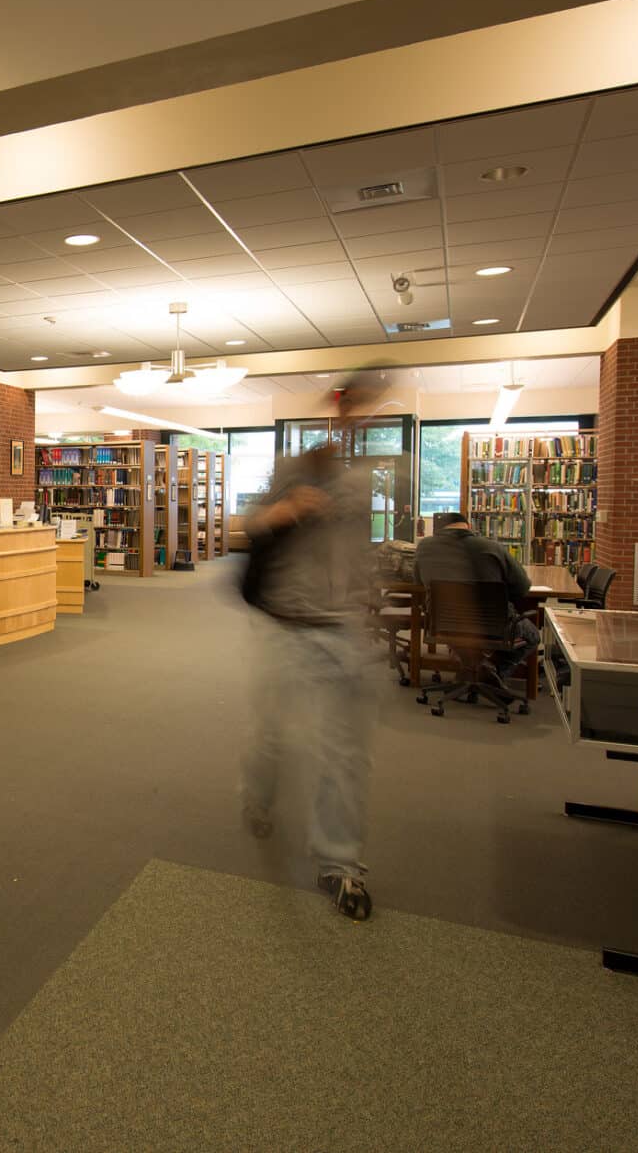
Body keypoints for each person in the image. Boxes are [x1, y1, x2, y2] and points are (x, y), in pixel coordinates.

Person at [239, 379, 386, 922]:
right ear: (335, 412)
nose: (358, 422)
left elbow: (358, 551)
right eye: (353, 409)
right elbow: (247, 526)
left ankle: (339, 863)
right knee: (271, 734)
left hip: (343, 629)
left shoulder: (362, 480)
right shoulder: (290, 469)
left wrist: (366, 608)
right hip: (286, 624)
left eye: (369, 413)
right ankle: (258, 792)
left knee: (346, 752)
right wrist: (286, 511)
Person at [413, 511, 540, 679]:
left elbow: (418, 582)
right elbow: (523, 588)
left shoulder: (424, 547)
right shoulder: (492, 547)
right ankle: (495, 669)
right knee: (533, 636)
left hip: (443, 623)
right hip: (492, 625)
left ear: (440, 529)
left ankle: (473, 667)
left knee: (458, 632)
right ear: (469, 527)